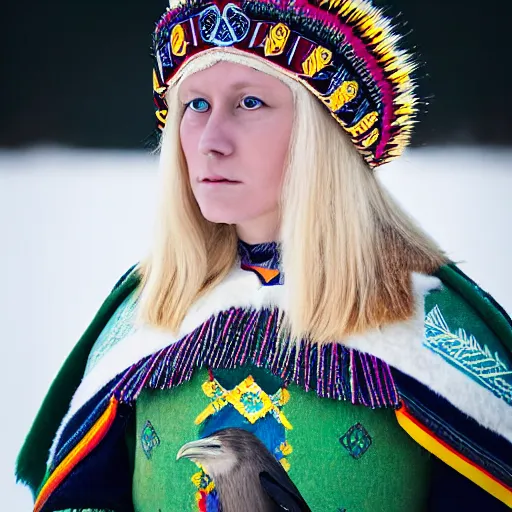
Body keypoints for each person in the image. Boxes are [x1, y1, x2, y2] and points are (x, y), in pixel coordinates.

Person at [16, 0, 512, 510]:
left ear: (323, 133)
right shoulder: (143, 320)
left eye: (249, 102)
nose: (211, 140)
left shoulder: (428, 328)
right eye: (195, 104)